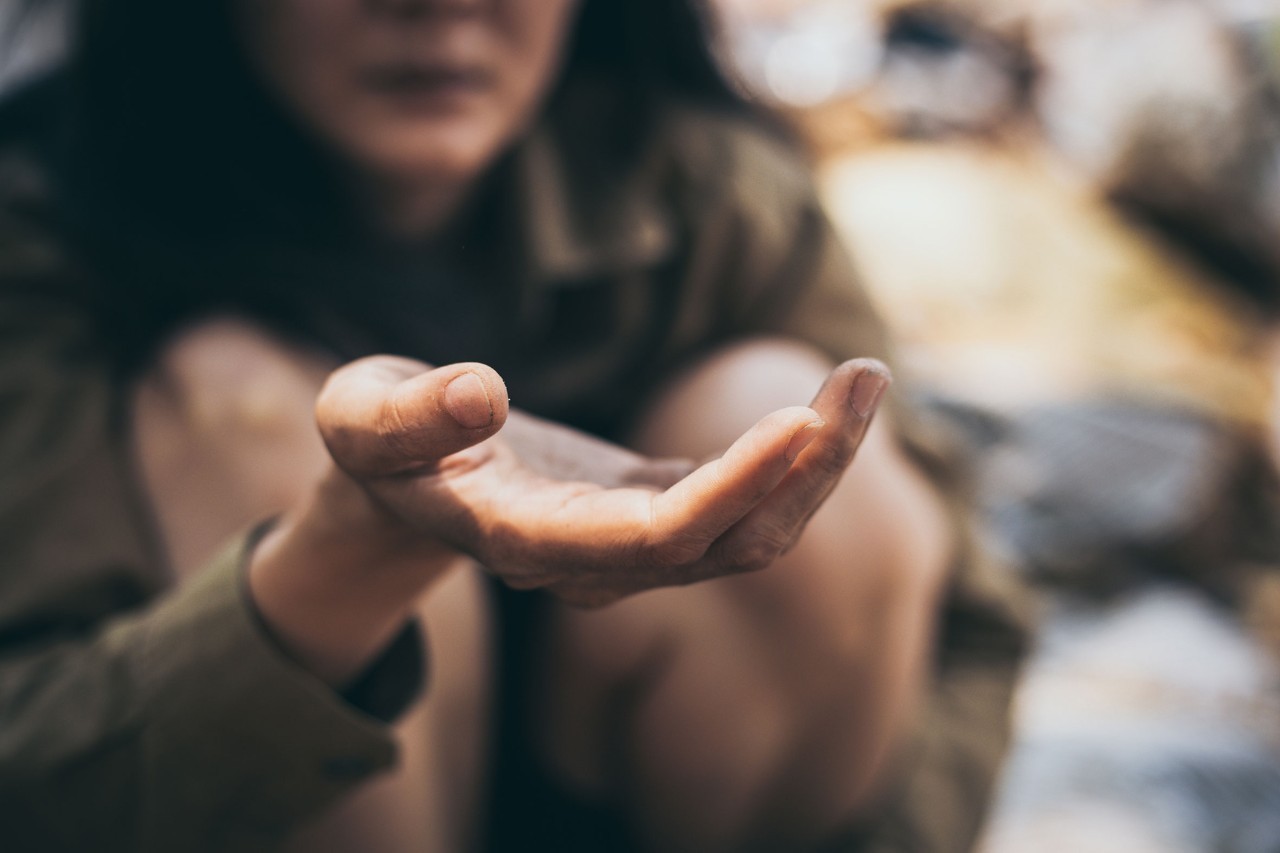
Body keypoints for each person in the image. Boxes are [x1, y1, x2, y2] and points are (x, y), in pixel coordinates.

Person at [0, 1, 1026, 851]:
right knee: (245, 410)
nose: (434, 10)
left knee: (775, 411)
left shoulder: (708, 192)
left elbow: (964, 631)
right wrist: (348, 548)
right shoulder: (40, 236)